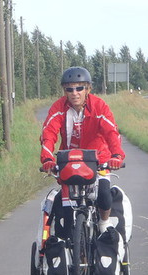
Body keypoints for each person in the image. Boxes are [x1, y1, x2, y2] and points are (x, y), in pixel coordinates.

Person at [40, 66, 125, 233]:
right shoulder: (58, 108)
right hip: (69, 162)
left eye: (79, 88)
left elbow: (111, 132)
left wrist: (116, 155)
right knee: (64, 206)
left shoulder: (99, 106)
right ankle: (69, 238)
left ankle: (103, 223)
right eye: (69, 89)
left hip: (98, 161)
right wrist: (47, 159)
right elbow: (48, 134)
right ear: (64, 91)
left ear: (88, 89)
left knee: (104, 193)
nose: (74, 93)